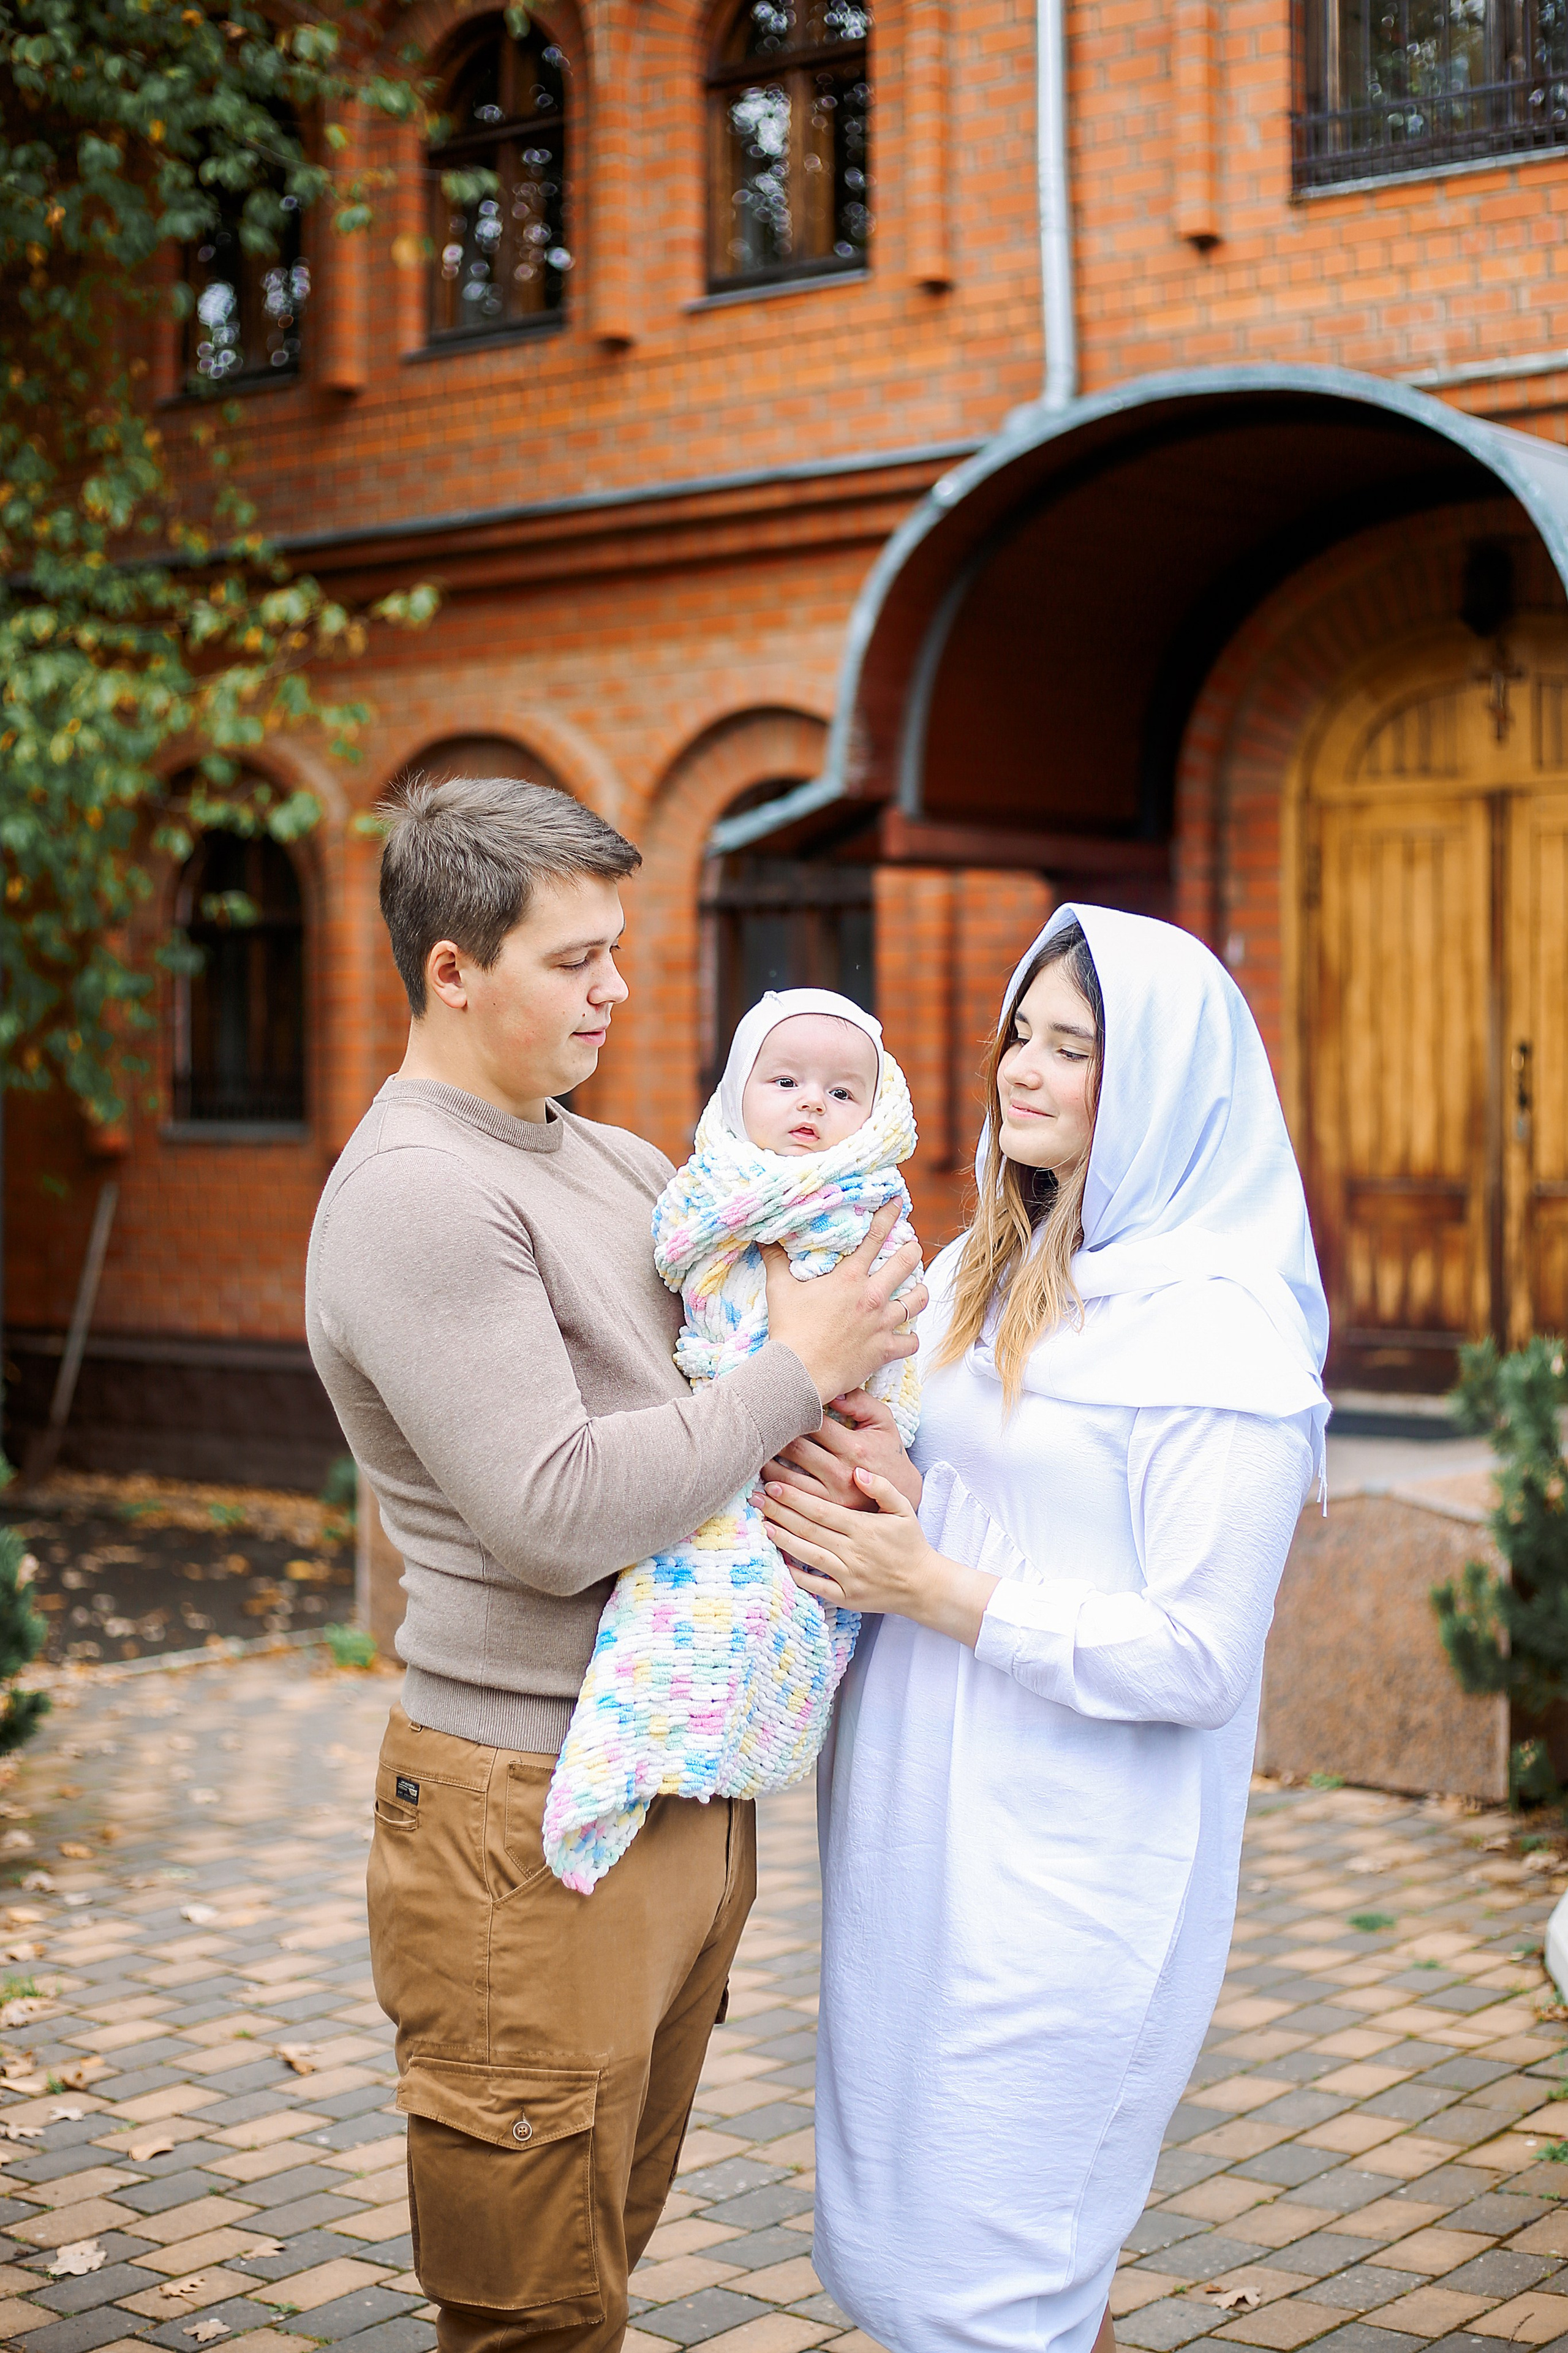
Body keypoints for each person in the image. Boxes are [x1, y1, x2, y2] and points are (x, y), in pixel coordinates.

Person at [303, 776, 924, 2353]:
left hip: (684, 1780)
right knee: (535, 2312)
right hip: (530, 1810)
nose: (619, 990)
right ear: (453, 971)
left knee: (606, 2252)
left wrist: (864, 1428)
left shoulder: (621, 1165)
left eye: (619, 951)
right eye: (575, 960)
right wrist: (802, 1362)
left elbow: (738, 1417)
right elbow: (560, 1508)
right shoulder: (419, 1198)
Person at [759, 904, 1329, 2353]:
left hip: (1073, 1861)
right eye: (1022, 1030)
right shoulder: (972, 1271)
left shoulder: (1218, 1333)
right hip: (909, 1827)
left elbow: (1198, 1655)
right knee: (899, 2253)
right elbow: (958, 1493)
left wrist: (931, 1583)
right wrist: (890, 1490)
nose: (1022, 1067)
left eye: (1072, 1048)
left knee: (999, 2271)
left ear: (1163, 1090)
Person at [541, 989, 922, 1894]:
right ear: (734, 1090)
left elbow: (892, 1324)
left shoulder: (866, 1205)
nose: (809, 1105)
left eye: (842, 1093)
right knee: (686, 1591)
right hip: (726, 1428)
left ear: (882, 1114)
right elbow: (691, 1266)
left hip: (823, 1450)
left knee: (771, 1592)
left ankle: (702, 1735)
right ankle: (626, 1767)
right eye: (784, 1080)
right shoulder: (699, 1193)